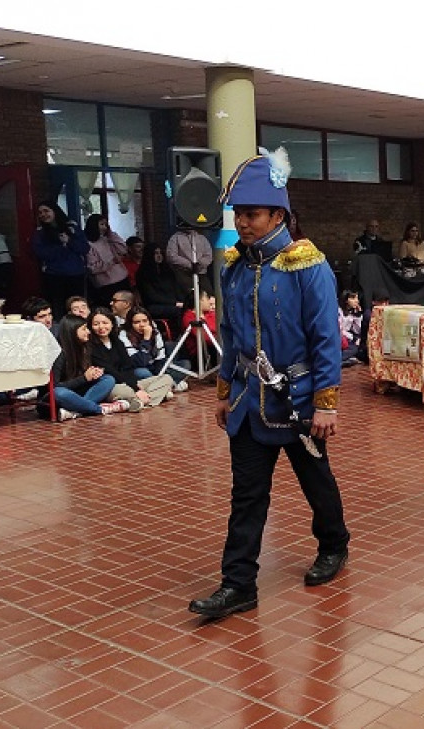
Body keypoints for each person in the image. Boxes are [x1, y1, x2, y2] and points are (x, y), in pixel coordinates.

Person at [189, 151, 350, 619]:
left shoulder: (309, 265)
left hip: (298, 403)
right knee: (247, 496)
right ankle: (238, 585)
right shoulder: (235, 267)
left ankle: (335, 545)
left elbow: (325, 339)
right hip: (247, 403)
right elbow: (233, 335)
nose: (242, 222)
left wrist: (327, 403)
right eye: (238, 213)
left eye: (252, 214)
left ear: (277, 214)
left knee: (316, 482)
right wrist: (223, 392)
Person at [48, 315, 131, 421]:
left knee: (108, 379)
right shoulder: (59, 353)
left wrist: (93, 374)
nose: (88, 331)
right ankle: (100, 409)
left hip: (81, 392)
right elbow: (54, 386)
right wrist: (84, 378)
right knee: (59, 392)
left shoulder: (85, 348)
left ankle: (77, 410)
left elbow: (86, 377)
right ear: (72, 331)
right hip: (65, 393)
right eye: (84, 329)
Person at [87, 309, 173, 409]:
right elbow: (110, 371)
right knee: (124, 390)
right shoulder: (90, 346)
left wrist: (135, 386)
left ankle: (135, 402)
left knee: (166, 378)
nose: (101, 327)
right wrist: (136, 389)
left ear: (112, 324)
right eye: (96, 324)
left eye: (105, 323)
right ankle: (152, 397)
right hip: (111, 385)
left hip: (128, 382)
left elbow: (128, 366)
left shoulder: (117, 342)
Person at [32, 201, 88, 310]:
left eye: (46, 211)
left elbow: (84, 248)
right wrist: (61, 246)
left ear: (55, 211)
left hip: (76, 274)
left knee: (77, 306)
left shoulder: (71, 227)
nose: (43, 215)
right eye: (40, 213)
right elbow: (41, 253)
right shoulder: (40, 233)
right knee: (57, 307)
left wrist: (69, 241)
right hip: (54, 275)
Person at [120, 306, 190, 386]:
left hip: (154, 366)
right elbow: (139, 362)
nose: (142, 325)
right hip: (136, 368)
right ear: (130, 324)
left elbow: (160, 359)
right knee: (143, 373)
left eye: (145, 321)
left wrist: (162, 371)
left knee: (185, 364)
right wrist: (146, 339)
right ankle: (167, 385)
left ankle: (163, 384)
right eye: (137, 322)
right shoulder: (123, 335)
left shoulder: (155, 332)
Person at [137, 240, 187, 336]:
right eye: (156, 253)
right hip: (154, 306)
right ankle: (180, 335)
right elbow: (151, 296)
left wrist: (184, 301)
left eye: (160, 253)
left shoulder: (167, 271)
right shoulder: (143, 273)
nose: (159, 256)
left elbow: (177, 288)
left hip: (173, 303)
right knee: (179, 311)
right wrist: (175, 303)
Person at [84, 214, 131, 308]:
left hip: (122, 278)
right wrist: (111, 262)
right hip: (106, 284)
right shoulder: (89, 244)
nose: (104, 227)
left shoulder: (107, 239)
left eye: (106, 225)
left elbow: (123, 249)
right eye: (102, 224)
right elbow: (92, 268)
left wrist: (111, 235)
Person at [166, 224, 214, 301]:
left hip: (201, 274)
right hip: (184, 274)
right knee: (190, 296)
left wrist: (199, 264)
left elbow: (209, 256)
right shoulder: (175, 238)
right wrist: (189, 264)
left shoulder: (202, 238)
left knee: (209, 296)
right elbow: (171, 256)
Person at [338, 290, 363, 366]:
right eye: (353, 298)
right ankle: (338, 360)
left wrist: (358, 316)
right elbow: (340, 329)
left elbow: (357, 330)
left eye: (357, 298)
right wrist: (353, 338)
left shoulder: (352, 312)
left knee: (359, 349)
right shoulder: (339, 311)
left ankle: (344, 359)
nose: (356, 301)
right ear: (346, 300)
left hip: (347, 338)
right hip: (339, 337)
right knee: (353, 349)